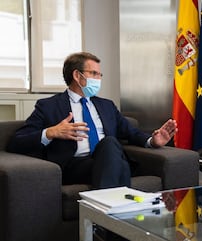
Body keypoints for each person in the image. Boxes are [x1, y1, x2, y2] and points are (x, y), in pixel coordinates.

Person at [7, 52, 178, 189]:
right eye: (94, 73)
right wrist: (50, 133)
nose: (98, 78)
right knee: (118, 161)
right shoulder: (48, 106)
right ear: (77, 75)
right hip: (74, 166)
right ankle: (120, 216)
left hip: (106, 159)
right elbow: (16, 142)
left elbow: (131, 132)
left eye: (99, 74)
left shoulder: (106, 106)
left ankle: (105, 220)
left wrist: (152, 140)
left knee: (110, 144)